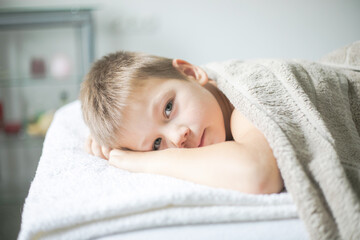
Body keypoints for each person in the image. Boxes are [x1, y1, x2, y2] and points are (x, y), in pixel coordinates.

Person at [80, 51, 284, 194]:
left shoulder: (244, 99)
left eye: (168, 108)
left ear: (190, 73)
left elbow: (257, 176)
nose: (177, 138)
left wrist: (140, 161)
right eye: (156, 144)